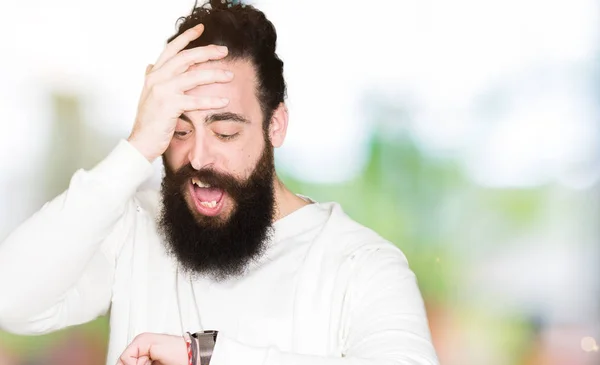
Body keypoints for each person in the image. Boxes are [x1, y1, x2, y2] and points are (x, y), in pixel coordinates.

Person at [0, 1, 439, 364]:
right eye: (179, 129)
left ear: (276, 126)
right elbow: (12, 299)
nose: (198, 156)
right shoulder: (132, 227)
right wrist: (135, 149)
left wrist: (204, 356)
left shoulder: (362, 265)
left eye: (225, 131)